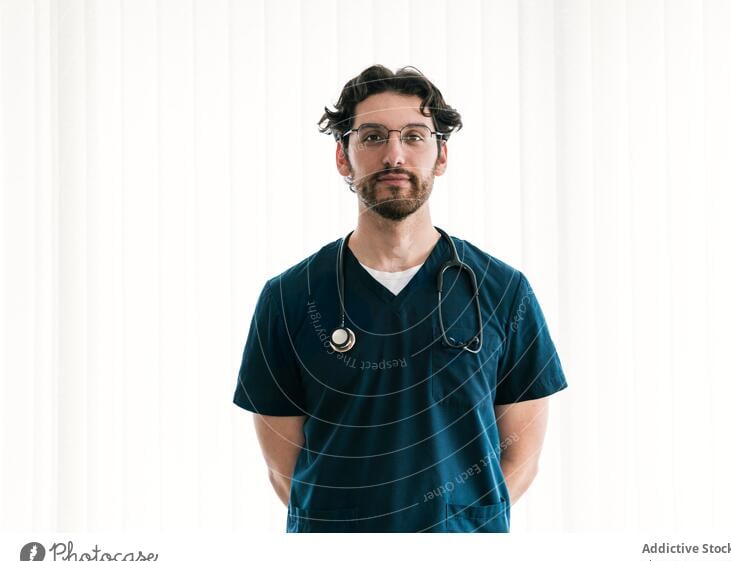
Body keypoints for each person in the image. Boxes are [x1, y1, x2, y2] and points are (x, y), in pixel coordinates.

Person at [232, 64, 568, 533]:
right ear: (343, 157)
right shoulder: (288, 298)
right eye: (371, 137)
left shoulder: (502, 292)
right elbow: (283, 470)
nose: (394, 155)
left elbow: (521, 460)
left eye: (414, 136)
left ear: (441, 155)